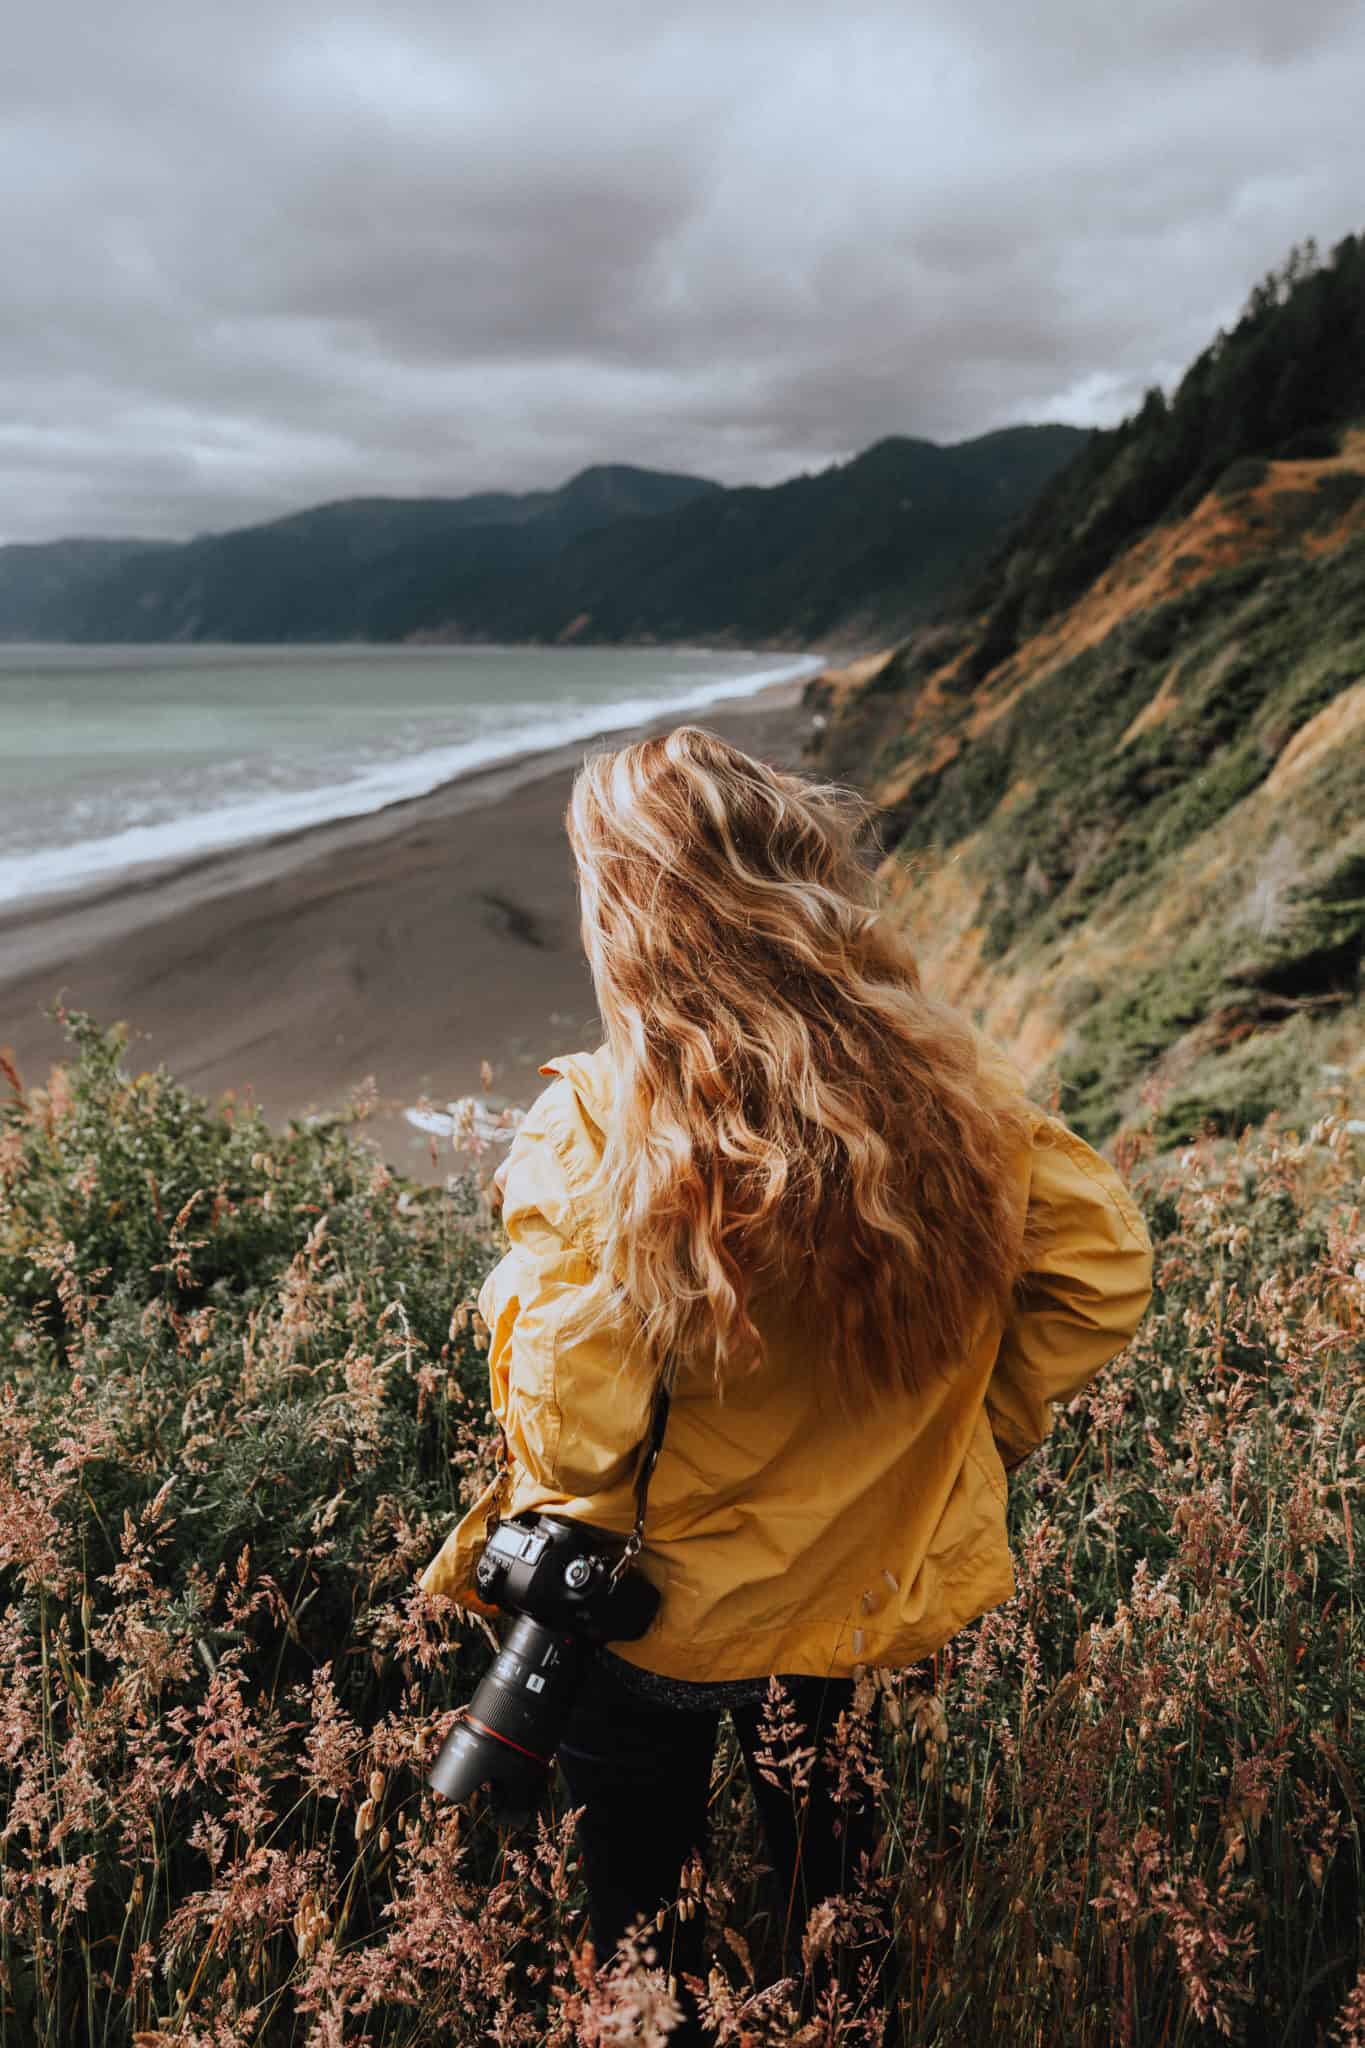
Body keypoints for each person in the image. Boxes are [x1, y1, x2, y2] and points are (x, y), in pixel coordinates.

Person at [420, 724, 1155, 2044]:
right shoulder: (952, 1081)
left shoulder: (599, 1118)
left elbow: (575, 1442)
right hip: (846, 1591)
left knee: (642, 1926)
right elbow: (1099, 1276)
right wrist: (955, 1441)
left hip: (646, 1616)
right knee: (837, 1898)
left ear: (630, 907)